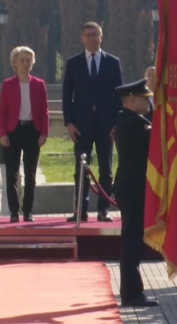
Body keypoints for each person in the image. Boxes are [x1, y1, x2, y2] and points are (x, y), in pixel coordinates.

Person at [62, 22, 124, 222]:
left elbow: (120, 97)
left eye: (95, 34)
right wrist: (68, 123)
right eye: (88, 35)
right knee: (81, 168)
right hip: (81, 126)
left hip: (107, 126)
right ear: (82, 38)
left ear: (101, 37)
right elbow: (66, 95)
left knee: (105, 169)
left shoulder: (113, 62)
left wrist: (118, 124)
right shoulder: (73, 63)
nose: (92, 38)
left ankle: (103, 209)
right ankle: (80, 210)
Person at [112, 78, 158, 307]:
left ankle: (133, 291)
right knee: (131, 241)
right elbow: (155, 138)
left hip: (131, 187)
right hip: (133, 188)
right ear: (130, 100)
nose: (149, 102)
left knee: (133, 240)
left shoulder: (130, 120)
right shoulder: (132, 124)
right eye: (144, 98)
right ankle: (131, 294)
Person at [0, 46, 49, 223]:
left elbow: (44, 111)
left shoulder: (39, 85)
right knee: (11, 173)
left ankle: (27, 212)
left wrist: (44, 133)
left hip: (32, 132)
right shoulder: (8, 85)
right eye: (22, 60)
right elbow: (2, 112)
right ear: (14, 63)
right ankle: (13, 211)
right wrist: (3, 134)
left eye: (29, 60)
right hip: (13, 131)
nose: (26, 63)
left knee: (30, 174)